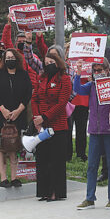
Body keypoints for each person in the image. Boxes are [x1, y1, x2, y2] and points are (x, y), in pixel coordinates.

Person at [74, 59, 110, 210]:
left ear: (108, 70)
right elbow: (77, 90)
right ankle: (89, 198)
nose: (98, 73)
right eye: (95, 71)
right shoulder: (92, 86)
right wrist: (78, 74)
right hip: (95, 130)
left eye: (101, 70)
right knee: (92, 165)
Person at [32, 52, 71, 201]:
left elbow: (62, 103)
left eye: (51, 62)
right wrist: (37, 118)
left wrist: (45, 116)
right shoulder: (41, 78)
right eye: (46, 62)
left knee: (56, 160)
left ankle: (56, 191)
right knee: (42, 159)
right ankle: (44, 191)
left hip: (57, 125)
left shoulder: (65, 79)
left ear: (58, 63)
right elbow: (34, 98)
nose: (48, 65)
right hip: (41, 125)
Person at [0, 49, 32, 188]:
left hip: (18, 116)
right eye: (7, 57)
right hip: (0, 116)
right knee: (0, 147)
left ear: (17, 59)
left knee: (14, 147)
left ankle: (15, 177)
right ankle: (3, 178)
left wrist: (19, 109)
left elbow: (28, 93)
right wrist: (2, 109)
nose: (10, 59)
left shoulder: (23, 75)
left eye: (12, 57)